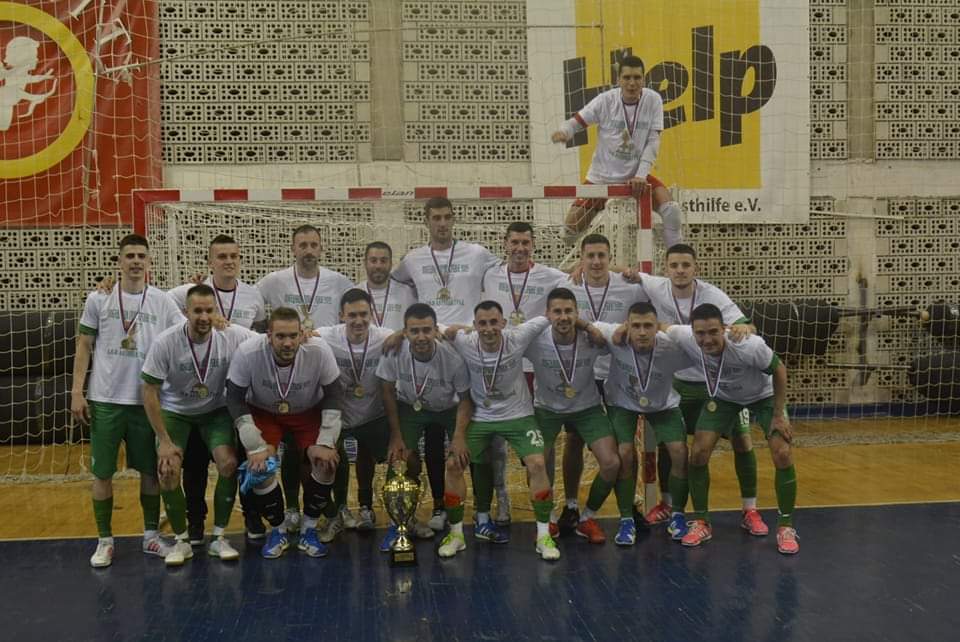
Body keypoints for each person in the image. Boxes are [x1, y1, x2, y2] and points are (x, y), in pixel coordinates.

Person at [627, 243, 766, 538]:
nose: (680, 270)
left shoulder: (712, 295)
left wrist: (744, 328)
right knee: (669, 444)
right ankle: (667, 504)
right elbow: (628, 273)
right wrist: (581, 268)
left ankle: (750, 509)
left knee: (742, 441)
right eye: (674, 265)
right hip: (679, 382)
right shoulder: (656, 285)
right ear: (666, 268)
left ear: (696, 268)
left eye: (686, 265)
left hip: (718, 384)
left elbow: (746, 325)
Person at [440, 302, 593, 561]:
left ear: (503, 323)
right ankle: (456, 535)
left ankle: (543, 536)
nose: (489, 328)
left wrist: (589, 326)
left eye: (494, 322)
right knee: (454, 465)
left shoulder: (518, 336)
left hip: (519, 416)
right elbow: (435, 327)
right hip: (481, 417)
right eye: (482, 323)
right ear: (475, 326)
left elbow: (552, 315)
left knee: (537, 463)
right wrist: (403, 335)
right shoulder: (465, 340)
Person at [71, 234, 185, 568]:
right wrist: (76, 392)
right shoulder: (99, 298)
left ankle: (150, 536)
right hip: (105, 399)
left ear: (149, 261)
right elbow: (83, 344)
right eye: (130, 255)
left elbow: (186, 332)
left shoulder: (163, 301)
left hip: (146, 401)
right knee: (102, 473)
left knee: (150, 472)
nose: (135, 261)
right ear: (119, 261)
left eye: (141, 256)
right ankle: (105, 540)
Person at [392, 197, 504, 520]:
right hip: (429, 349)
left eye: (447, 217)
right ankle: (441, 506)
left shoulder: (477, 253)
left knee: (483, 432)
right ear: (426, 221)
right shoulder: (412, 259)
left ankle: (493, 502)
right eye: (436, 218)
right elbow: (392, 284)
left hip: (469, 349)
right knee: (433, 435)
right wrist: (401, 328)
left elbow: (509, 271)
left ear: (454, 219)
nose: (442, 223)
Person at [667, 304, 800, 555]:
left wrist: (777, 416)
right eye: (700, 333)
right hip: (725, 398)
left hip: (763, 397)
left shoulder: (748, 345)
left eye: (713, 332)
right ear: (692, 332)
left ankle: (785, 526)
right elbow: (662, 327)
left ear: (725, 329)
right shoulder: (685, 336)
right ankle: (702, 521)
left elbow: (779, 369)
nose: (707, 339)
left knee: (782, 452)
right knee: (698, 453)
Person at [141, 284, 258, 565]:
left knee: (229, 463)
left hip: (215, 412)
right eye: (197, 311)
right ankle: (181, 541)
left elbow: (269, 341)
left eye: (209, 311)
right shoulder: (166, 342)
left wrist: (306, 336)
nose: (204, 317)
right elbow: (148, 391)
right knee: (167, 469)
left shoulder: (231, 335)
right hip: (176, 412)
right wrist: (164, 440)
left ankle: (218, 537)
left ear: (216, 311)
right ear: (186, 312)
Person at [166, 234, 267, 547]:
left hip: (239, 395)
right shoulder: (189, 292)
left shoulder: (253, 295)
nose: (228, 261)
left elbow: (260, 335)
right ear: (210, 262)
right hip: (201, 393)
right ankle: (196, 521)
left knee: (242, 459)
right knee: (195, 464)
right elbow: (159, 303)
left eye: (234, 256)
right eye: (221, 256)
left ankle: (251, 514)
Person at [256, 224, 353, 536]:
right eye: (303, 245)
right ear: (293, 248)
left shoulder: (339, 281)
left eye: (313, 244)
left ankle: (340, 506)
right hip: (286, 376)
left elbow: (357, 311)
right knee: (291, 450)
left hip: (325, 375)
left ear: (321, 248)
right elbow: (248, 305)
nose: (308, 250)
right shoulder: (274, 281)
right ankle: (292, 509)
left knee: (332, 446)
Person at [224, 307, 343, 559]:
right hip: (264, 412)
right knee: (260, 466)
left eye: (293, 335)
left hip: (306, 412)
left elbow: (334, 394)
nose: (287, 343)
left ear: (302, 334)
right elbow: (234, 398)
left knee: (327, 463)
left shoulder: (319, 350)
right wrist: (254, 445)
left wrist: (326, 440)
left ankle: (309, 530)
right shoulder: (248, 352)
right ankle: (277, 531)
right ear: (268, 335)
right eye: (280, 336)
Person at [557, 233, 648, 535]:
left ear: (610, 258)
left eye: (602, 256)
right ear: (581, 258)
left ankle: (630, 505)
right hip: (582, 374)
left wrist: (625, 269)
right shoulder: (567, 286)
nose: (596, 262)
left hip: (619, 374)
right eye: (590, 256)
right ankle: (571, 505)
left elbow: (652, 303)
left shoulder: (630, 286)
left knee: (626, 443)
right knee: (574, 439)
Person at [480, 221, 568, 525]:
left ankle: (545, 504)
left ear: (533, 245)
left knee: (541, 443)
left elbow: (581, 276)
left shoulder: (551, 276)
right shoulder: (490, 274)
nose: (520, 248)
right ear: (505, 243)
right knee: (495, 440)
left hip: (536, 369)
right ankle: (501, 498)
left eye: (525, 243)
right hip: (499, 367)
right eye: (514, 242)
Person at [523, 288, 623, 544]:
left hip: (587, 407)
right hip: (546, 409)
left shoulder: (591, 337)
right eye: (557, 311)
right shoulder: (535, 339)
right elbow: (504, 342)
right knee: (536, 462)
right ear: (547, 314)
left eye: (569, 311)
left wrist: (591, 328)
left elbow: (622, 333)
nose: (563, 317)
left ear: (577, 314)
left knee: (611, 463)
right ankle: (548, 519)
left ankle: (586, 517)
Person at [551, 55, 683, 248]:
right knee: (568, 234)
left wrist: (640, 175)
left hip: (636, 180)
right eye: (627, 77)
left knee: (672, 211)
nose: (632, 83)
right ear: (618, 79)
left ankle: (675, 258)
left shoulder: (653, 100)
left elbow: (653, 141)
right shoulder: (605, 101)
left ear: (644, 79)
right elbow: (576, 122)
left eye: (637, 77)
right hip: (602, 178)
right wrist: (565, 132)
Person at [597, 302, 696, 543]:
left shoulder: (672, 346)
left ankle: (677, 514)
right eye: (636, 326)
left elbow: (702, 337)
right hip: (622, 403)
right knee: (624, 453)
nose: (642, 332)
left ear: (657, 327)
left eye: (648, 326)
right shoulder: (614, 336)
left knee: (680, 452)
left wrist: (739, 331)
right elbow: (587, 326)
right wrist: (617, 330)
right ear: (627, 325)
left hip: (662, 405)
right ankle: (626, 519)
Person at [377, 303, 472, 548]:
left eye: (427, 330)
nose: (421, 336)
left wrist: (459, 436)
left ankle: (459, 521)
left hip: (448, 409)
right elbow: (387, 391)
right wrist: (395, 436)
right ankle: (399, 523)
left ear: (436, 330)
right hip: (412, 408)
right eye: (414, 331)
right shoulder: (394, 350)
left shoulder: (452, 358)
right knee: (398, 459)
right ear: (405, 332)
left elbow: (465, 399)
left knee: (458, 459)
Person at [316, 289, 397, 542]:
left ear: (371, 314)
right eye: (352, 315)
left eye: (364, 314)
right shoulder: (327, 335)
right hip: (338, 414)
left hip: (372, 414)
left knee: (374, 457)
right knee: (332, 459)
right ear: (342, 315)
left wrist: (402, 334)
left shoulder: (385, 337)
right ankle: (338, 510)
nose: (359, 320)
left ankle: (367, 507)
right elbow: (302, 335)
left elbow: (417, 331)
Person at [357, 241, 417, 332]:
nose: (378, 266)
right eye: (373, 261)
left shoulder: (407, 292)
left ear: (391, 264)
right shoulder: (355, 293)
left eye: (383, 261)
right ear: (365, 263)